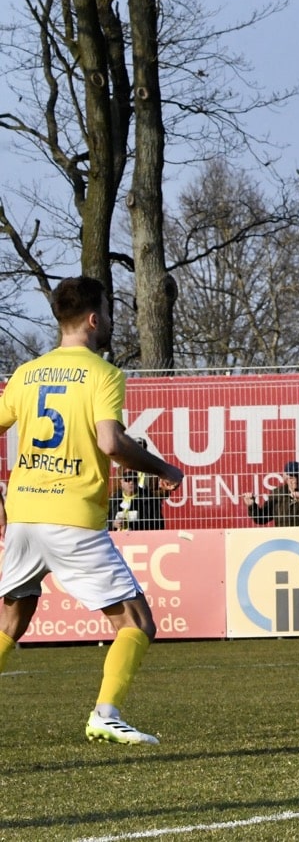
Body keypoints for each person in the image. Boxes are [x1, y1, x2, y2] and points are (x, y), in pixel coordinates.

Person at [0, 276, 185, 744]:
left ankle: (107, 712)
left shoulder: (27, 373)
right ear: (92, 318)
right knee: (137, 622)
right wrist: (164, 468)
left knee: (11, 620)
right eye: (108, 310)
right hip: (72, 518)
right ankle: (105, 712)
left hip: (23, 516)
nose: (111, 320)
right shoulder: (103, 374)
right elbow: (111, 444)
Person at [243, 460, 299, 526]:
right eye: (291, 477)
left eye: (298, 476)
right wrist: (252, 506)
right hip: (285, 540)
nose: (295, 481)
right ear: (285, 477)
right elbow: (261, 519)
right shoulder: (277, 494)